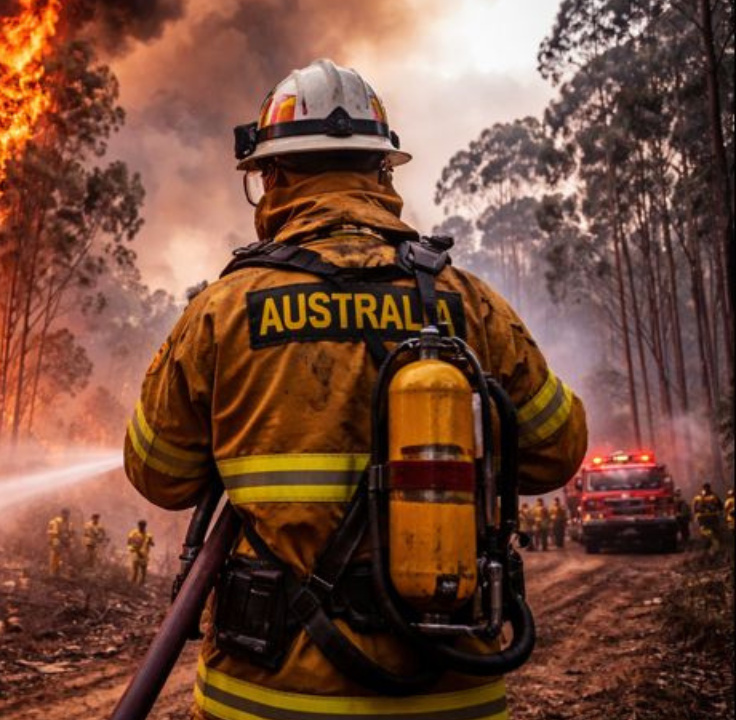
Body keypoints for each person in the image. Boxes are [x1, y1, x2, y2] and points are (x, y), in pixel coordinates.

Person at [123, 59, 587, 720]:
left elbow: (157, 474)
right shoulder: (467, 304)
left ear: (272, 178)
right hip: (449, 697)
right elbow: (557, 451)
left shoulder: (224, 312)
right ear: (382, 173)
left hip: (268, 699)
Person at [693, 483, 722, 552]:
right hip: (709, 516)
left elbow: (694, 507)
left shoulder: (698, 497)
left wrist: (695, 515)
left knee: (706, 530)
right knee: (711, 530)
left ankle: (710, 542)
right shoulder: (713, 496)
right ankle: (711, 542)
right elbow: (720, 506)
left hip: (705, 516)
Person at [46, 508, 73, 576]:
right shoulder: (56, 521)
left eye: (67, 514)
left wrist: (69, 540)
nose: (66, 516)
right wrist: (53, 538)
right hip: (57, 541)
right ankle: (52, 573)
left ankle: (62, 573)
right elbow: (51, 532)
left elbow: (70, 533)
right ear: (62, 514)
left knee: (65, 558)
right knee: (55, 557)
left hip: (64, 541)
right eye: (65, 514)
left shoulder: (68, 523)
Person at [127, 520, 154, 585]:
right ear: (138, 525)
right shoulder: (133, 533)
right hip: (136, 554)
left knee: (143, 572)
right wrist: (132, 549)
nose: (142, 527)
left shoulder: (148, 535)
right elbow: (129, 542)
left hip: (144, 555)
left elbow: (152, 544)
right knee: (135, 571)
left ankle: (140, 585)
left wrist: (150, 542)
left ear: (145, 526)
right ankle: (132, 584)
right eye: (141, 525)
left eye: (143, 526)